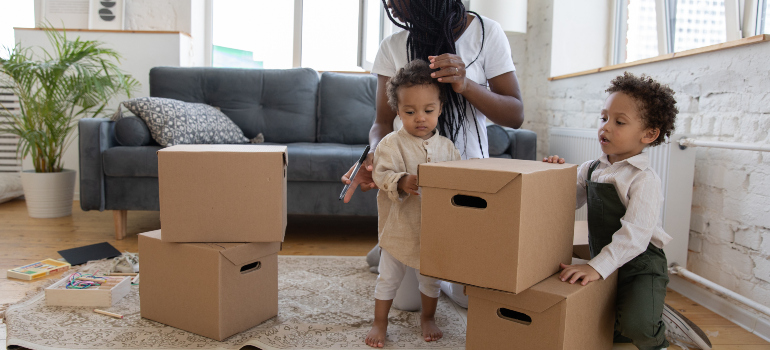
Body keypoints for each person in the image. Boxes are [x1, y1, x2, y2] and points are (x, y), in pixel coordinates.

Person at [342, 0, 524, 310]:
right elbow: (382, 123)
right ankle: (391, 246)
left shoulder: (485, 32)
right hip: (412, 187)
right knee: (408, 303)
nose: (392, 7)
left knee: (470, 300)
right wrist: (373, 156)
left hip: (467, 179)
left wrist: (466, 85)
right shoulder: (393, 46)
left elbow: (515, 115)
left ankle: (388, 249)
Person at [544, 72, 711, 350]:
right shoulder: (591, 168)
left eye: (619, 122)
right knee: (600, 326)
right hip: (606, 259)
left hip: (640, 264)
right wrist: (553, 174)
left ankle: (660, 332)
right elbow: (563, 204)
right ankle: (648, 311)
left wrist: (596, 267)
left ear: (649, 134)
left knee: (639, 327)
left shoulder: (643, 179)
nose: (605, 128)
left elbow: (635, 237)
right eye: (603, 118)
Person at [365, 59, 461, 348]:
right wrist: (402, 180)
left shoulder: (447, 147)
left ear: (440, 109)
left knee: (430, 280)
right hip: (399, 229)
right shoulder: (391, 144)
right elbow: (381, 175)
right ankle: (379, 322)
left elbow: (458, 181)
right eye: (410, 111)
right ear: (398, 112)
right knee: (388, 278)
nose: (420, 117)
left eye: (428, 110)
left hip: (433, 232)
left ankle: (427, 317)